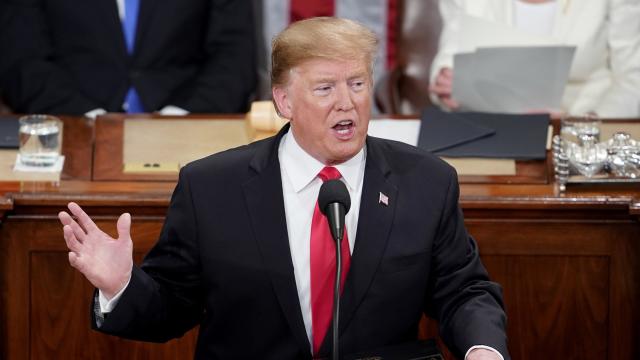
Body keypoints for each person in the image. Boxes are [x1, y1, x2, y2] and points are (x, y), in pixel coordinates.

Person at [58, 17, 509, 359]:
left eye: (357, 84)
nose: (346, 102)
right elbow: (171, 309)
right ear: (283, 100)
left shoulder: (426, 182)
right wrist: (122, 285)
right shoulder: (211, 188)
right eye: (325, 88)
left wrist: (482, 348)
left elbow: (464, 290)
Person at [0, 0, 256, 116]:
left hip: (189, 120)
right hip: (70, 125)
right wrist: (87, 117)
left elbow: (235, 56)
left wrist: (181, 116)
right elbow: (22, 59)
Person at [429, 0, 640, 118]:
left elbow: (633, 78)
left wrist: (584, 126)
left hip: (584, 127)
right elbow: (448, 59)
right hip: (488, 124)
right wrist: (448, 84)